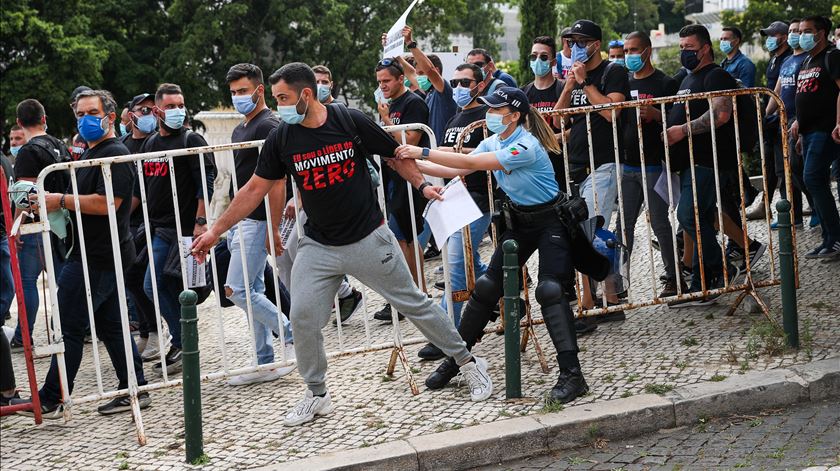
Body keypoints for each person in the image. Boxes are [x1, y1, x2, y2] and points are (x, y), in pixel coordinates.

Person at [191, 62, 493, 426]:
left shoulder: (349, 120)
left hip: (368, 236)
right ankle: (317, 394)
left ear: (305, 95)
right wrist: (214, 231)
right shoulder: (282, 138)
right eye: (275, 98)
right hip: (318, 246)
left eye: (283, 97)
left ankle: (467, 362)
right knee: (302, 318)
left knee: (413, 303)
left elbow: (395, 157)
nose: (278, 105)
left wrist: (423, 186)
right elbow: (253, 189)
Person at [395, 86, 590, 404]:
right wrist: (408, 164)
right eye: (489, 108)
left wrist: (420, 153)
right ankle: (458, 361)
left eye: (496, 110)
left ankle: (572, 374)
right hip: (520, 222)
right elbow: (459, 166)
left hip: (552, 221)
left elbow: (476, 161)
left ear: (514, 116)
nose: (489, 114)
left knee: (550, 291)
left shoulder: (525, 145)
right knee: (486, 287)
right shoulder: (494, 140)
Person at [11, 89, 150, 418]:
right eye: (80, 115)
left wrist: (59, 200)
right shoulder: (92, 154)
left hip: (96, 257)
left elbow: (107, 203)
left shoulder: (112, 154)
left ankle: (53, 397)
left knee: (68, 327)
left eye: (92, 112)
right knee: (113, 327)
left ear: (110, 116)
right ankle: (135, 387)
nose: (85, 120)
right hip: (97, 252)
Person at [412, 62, 493, 360]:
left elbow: (480, 157)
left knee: (456, 267)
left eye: (464, 82)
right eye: (455, 82)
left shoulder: (487, 117)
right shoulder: (455, 118)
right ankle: (499, 293)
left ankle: (450, 337)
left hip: (479, 199)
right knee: (467, 261)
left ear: (480, 85)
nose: (458, 87)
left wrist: (422, 156)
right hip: (456, 196)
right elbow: (447, 161)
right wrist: (418, 166)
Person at [223, 63, 295, 385]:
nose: (238, 97)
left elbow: (278, 180)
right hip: (243, 220)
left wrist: (272, 224)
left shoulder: (270, 125)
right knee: (252, 289)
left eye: (243, 91)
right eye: (234, 92)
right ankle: (264, 361)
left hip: (258, 220)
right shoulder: (242, 128)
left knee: (236, 289)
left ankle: (293, 335)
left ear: (259, 90)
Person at [140, 83, 215, 374]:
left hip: (182, 228)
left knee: (154, 283)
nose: (177, 111)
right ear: (158, 110)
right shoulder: (150, 144)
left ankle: (184, 341)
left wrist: (200, 221)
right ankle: (182, 340)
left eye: (180, 105)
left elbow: (204, 182)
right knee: (162, 284)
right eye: (170, 106)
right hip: (157, 227)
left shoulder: (190, 139)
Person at [664, 24, 742, 305]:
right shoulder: (687, 79)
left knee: (689, 217)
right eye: (682, 47)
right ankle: (702, 284)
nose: (684, 53)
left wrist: (680, 131)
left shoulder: (716, 75)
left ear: (706, 48)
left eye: (690, 48)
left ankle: (722, 268)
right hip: (690, 163)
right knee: (698, 220)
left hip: (709, 160)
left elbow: (721, 115)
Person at [556, 20, 629, 313]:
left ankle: (589, 301)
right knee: (585, 232)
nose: (574, 47)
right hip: (576, 164)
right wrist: (571, 85)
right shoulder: (575, 75)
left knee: (588, 232)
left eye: (580, 41)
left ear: (595, 45)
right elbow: (559, 118)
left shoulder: (614, 71)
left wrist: (586, 83)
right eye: (571, 42)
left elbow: (612, 113)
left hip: (605, 161)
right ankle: (611, 297)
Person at [619, 31, 684, 298]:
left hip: (655, 165)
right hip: (627, 165)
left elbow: (677, 118)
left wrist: (658, 114)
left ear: (647, 51)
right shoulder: (623, 82)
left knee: (659, 223)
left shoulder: (665, 83)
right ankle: (617, 282)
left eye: (634, 50)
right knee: (623, 226)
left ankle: (674, 276)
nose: (629, 55)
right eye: (626, 51)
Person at [9, 99, 70, 350]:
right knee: (62, 280)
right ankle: (66, 328)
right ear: (44, 119)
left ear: (19, 123)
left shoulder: (28, 152)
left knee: (27, 281)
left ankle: (24, 336)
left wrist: (17, 225)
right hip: (63, 224)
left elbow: (25, 195)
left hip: (36, 226)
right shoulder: (59, 145)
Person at [375, 56, 432, 321]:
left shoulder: (413, 103)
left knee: (407, 237)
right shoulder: (390, 103)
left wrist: (386, 120)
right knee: (401, 237)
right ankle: (413, 292)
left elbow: (411, 140)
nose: (383, 86)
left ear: (400, 79)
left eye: (387, 80)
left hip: (408, 176)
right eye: (379, 82)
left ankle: (418, 293)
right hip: (391, 175)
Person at [119, 93, 169, 360]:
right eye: (142, 109)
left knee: (147, 278)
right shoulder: (123, 145)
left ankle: (162, 332)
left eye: (152, 109)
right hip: (130, 221)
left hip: (152, 221)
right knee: (132, 278)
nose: (148, 113)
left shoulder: (154, 143)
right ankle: (147, 332)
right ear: (131, 114)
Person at [792, 16, 840, 259]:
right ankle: (829, 239)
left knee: (812, 178)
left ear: (821, 33)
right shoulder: (807, 60)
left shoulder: (831, 56)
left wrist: (839, 122)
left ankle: (836, 236)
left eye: (807, 31)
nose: (802, 36)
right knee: (813, 178)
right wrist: (800, 128)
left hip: (826, 129)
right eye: (800, 31)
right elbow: (805, 96)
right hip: (809, 132)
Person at [766, 19, 812, 229]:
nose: (796, 35)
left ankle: (815, 208)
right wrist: (765, 116)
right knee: (784, 171)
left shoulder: (808, 60)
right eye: (793, 31)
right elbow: (776, 92)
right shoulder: (786, 62)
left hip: (798, 121)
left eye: (797, 31)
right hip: (781, 122)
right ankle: (792, 215)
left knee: (798, 168)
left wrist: (800, 120)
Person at [747, 21, 793, 222]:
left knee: (784, 169)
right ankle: (766, 205)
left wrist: (767, 113)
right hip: (770, 120)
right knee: (769, 167)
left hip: (780, 118)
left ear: (783, 37)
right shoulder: (774, 59)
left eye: (772, 35)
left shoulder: (789, 59)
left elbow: (778, 91)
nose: (769, 39)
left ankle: (790, 211)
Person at [402, 26, 457, 143]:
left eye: (422, 73)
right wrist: (394, 54)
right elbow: (411, 74)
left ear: (437, 70)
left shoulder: (443, 91)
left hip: (443, 154)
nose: (419, 77)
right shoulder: (429, 92)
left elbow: (429, 70)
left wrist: (410, 43)